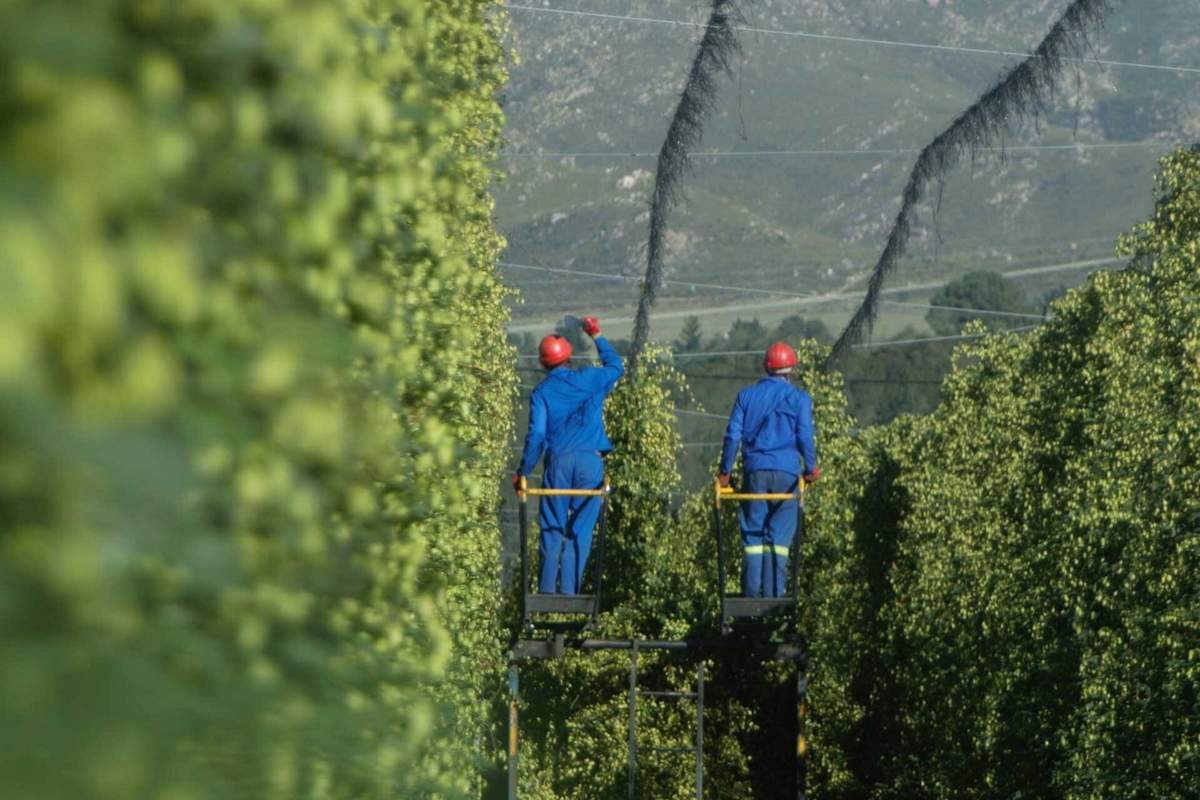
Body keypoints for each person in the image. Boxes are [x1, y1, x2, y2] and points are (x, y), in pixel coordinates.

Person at [514, 316, 624, 594]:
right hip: (590, 462)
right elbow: (616, 366)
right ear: (569, 356)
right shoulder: (589, 378)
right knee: (581, 531)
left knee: (553, 529)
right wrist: (596, 335)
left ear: (543, 362)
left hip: (558, 464)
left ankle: (548, 595)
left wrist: (523, 472)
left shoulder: (541, 393)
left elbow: (537, 436)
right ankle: (570, 596)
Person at [717, 342, 819, 598]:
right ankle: (775, 599)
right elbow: (805, 436)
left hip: (755, 475)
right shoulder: (800, 399)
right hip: (787, 477)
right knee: (779, 540)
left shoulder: (746, 396)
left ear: (766, 367)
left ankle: (751, 599)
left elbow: (732, 436)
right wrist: (811, 468)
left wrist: (725, 472)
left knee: (753, 537)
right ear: (791, 370)